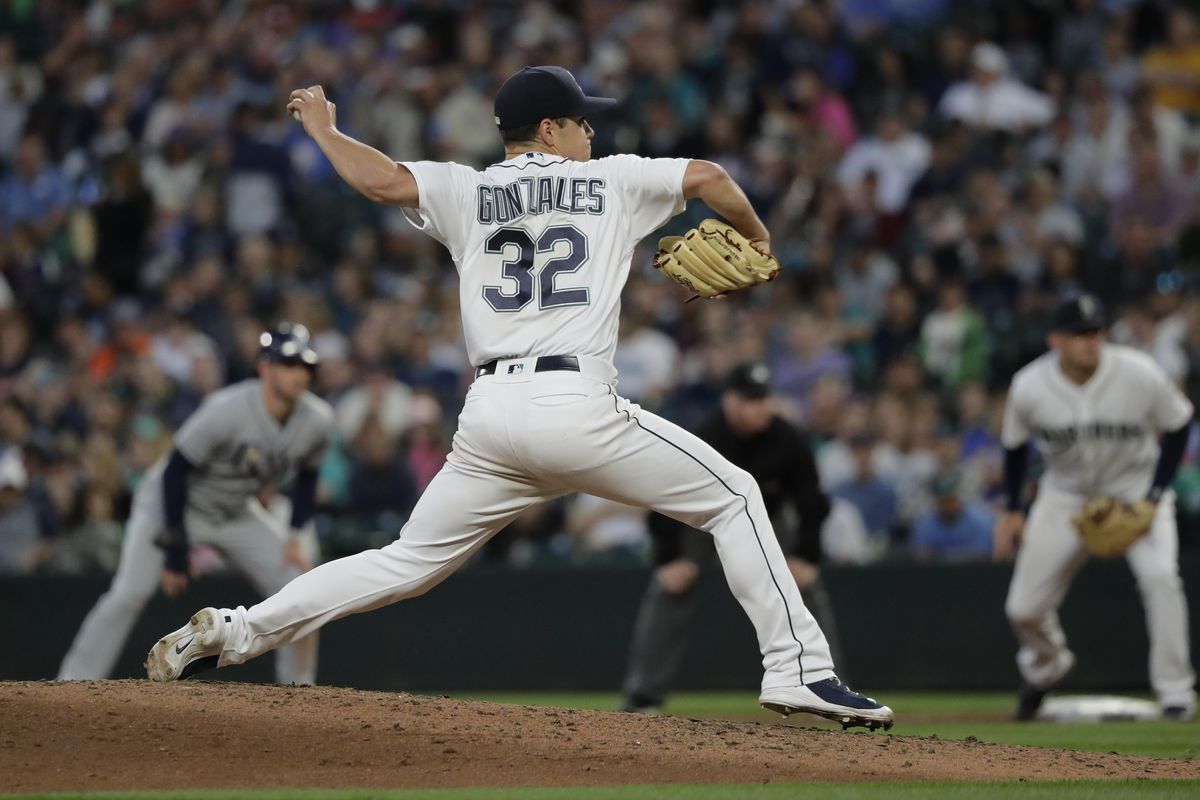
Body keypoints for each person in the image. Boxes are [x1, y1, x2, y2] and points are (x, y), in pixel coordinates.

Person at [145, 66, 893, 730]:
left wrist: (327, 130)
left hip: (491, 418)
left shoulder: (465, 188)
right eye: (581, 119)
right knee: (733, 496)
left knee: (403, 560)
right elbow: (708, 176)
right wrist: (758, 237)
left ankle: (235, 633)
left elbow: (378, 181)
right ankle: (801, 672)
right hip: (575, 403)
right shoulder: (612, 181)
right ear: (549, 127)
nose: (591, 131)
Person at [58, 323, 331, 684]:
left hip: (235, 511)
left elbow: (308, 475)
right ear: (265, 367)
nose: (299, 374)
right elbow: (176, 471)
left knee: (300, 587)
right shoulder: (228, 408)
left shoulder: (317, 419)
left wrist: (295, 533)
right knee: (129, 592)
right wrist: (175, 547)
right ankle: (73, 681)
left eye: (305, 366)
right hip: (171, 503)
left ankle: (300, 687)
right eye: (289, 363)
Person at [995, 294, 1195, 721]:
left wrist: (1155, 497)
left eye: (1095, 332)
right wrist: (1013, 510)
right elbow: (1013, 449)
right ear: (1056, 339)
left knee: (1161, 578)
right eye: (1079, 334)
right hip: (1065, 497)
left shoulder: (1138, 372)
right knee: (1023, 609)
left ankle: (1177, 692)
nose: (1091, 341)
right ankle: (1047, 668)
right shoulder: (1029, 385)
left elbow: (1178, 425)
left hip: (1136, 493)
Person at [620, 362, 841, 713]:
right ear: (730, 400)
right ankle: (643, 697)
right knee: (670, 588)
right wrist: (668, 558)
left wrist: (806, 555)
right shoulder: (705, 433)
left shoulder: (786, 437)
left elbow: (812, 500)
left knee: (803, 586)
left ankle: (825, 686)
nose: (759, 408)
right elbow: (661, 493)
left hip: (766, 521)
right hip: (700, 521)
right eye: (750, 399)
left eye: (763, 399)